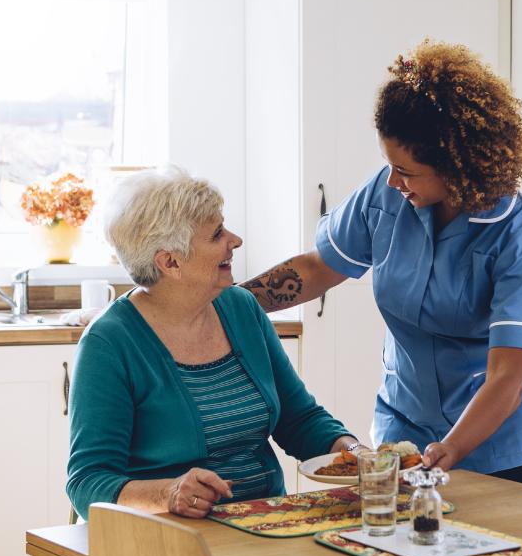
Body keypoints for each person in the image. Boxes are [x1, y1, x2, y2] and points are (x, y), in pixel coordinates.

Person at [242, 40, 522, 488]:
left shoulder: (520, 237)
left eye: (408, 171)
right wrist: (231, 303)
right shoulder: (387, 192)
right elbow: (318, 268)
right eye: (389, 165)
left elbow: (508, 375)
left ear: (457, 165)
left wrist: (453, 447)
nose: (393, 180)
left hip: (500, 444)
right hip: (406, 426)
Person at [66, 166, 358, 520]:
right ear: (170, 261)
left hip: (261, 523)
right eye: (217, 234)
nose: (235, 240)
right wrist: (170, 493)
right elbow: (88, 482)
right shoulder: (109, 343)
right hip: (164, 538)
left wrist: (353, 452)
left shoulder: (241, 308)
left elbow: (298, 420)